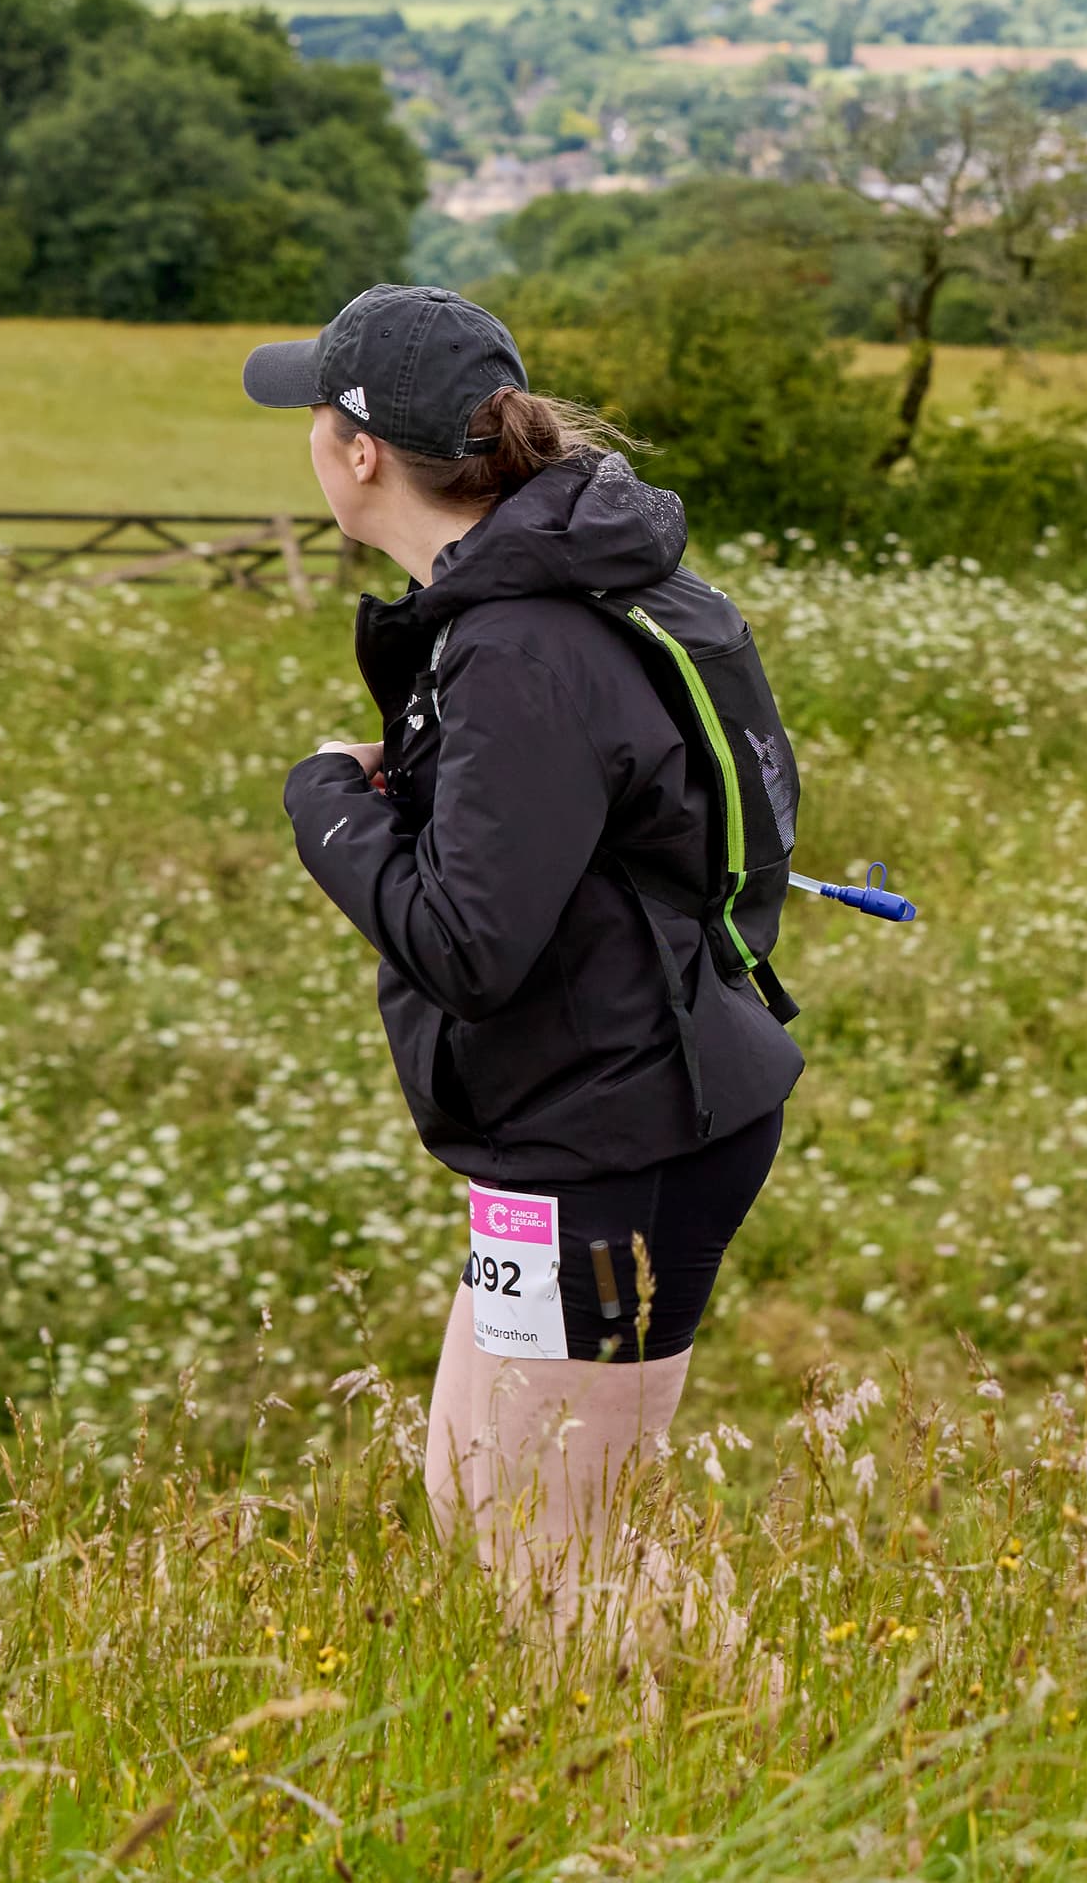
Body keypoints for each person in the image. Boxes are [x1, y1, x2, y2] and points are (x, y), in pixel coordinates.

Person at [251, 285, 802, 1612]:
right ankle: (741, 1777)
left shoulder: (516, 642)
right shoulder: (556, 587)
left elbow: (469, 947)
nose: (310, 442)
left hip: (616, 1141)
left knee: (553, 1557)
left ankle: (754, 1792)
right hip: (591, 1112)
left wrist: (324, 803)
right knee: (479, 1501)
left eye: (313, 419)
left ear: (360, 450)